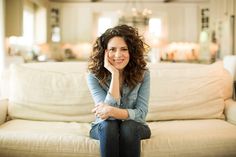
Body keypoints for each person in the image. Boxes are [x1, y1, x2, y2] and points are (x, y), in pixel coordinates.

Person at [87, 24, 151, 157]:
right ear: (104, 52)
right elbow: (106, 116)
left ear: (131, 51)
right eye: (112, 49)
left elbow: (141, 114)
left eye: (124, 49)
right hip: (104, 127)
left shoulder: (143, 74)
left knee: (129, 126)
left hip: (135, 127)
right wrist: (115, 74)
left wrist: (111, 110)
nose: (118, 55)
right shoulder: (93, 76)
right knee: (109, 126)